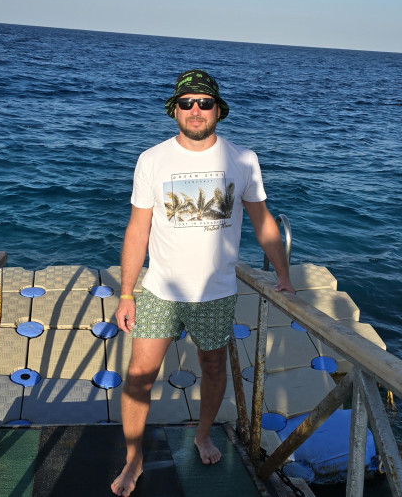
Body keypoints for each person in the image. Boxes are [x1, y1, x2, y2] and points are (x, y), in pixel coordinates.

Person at [111, 69, 294, 497]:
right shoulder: (152, 159)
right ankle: (133, 458)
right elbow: (137, 229)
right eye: (187, 102)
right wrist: (126, 292)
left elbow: (263, 221)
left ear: (218, 110)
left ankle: (204, 434)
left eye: (205, 103)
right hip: (160, 290)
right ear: (175, 109)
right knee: (139, 375)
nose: (196, 110)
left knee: (213, 368)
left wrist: (284, 275)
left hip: (216, 293)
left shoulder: (243, 159)